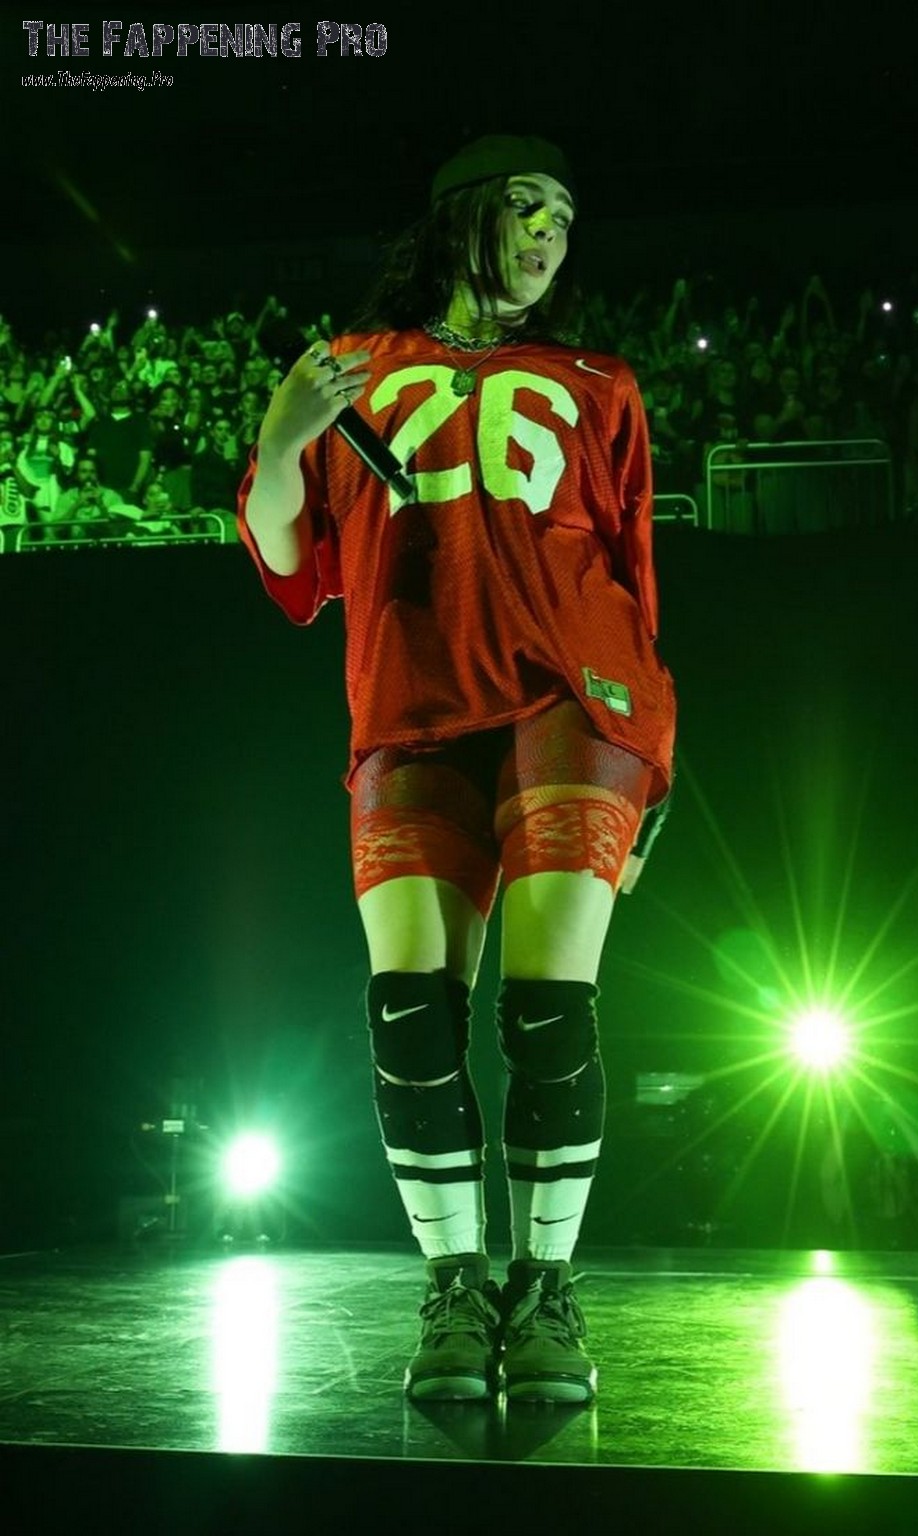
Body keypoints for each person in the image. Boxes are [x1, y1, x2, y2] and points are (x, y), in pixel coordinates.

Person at [237, 134, 676, 1405]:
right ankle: (454, 1286)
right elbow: (289, 563)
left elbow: (635, 587)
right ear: (459, 216)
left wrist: (653, 775)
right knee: (409, 1015)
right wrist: (281, 443)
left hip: (570, 709)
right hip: (412, 714)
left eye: (565, 216)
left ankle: (542, 1293)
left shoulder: (598, 383)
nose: (548, 232)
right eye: (526, 205)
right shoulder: (351, 371)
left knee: (546, 1010)